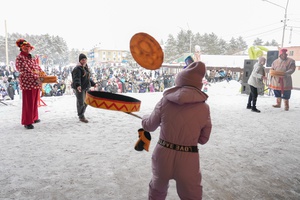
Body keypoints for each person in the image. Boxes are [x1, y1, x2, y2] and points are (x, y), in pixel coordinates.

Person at [142, 61, 212, 200]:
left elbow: (149, 126)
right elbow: (204, 139)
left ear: (179, 80)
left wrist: (145, 118)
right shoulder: (204, 108)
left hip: (162, 154)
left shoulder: (165, 101)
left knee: (157, 192)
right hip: (188, 158)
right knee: (192, 195)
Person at [15, 39, 42, 129]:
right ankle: (27, 121)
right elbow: (24, 70)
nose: (27, 49)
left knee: (34, 101)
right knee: (28, 103)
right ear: (21, 48)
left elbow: (37, 66)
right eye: (25, 48)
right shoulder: (20, 58)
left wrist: (42, 73)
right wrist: (35, 76)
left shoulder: (31, 57)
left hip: (35, 82)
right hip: (27, 83)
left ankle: (34, 117)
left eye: (29, 47)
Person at [72, 53, 95, 123]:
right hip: (79, 88)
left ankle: (81, 113)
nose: (84, 61)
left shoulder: (85, 67)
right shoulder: (77, 69)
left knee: (87, 101)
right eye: (82, 60)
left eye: (85, 59)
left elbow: (87, 78)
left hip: (86, 87)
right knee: (81, 102)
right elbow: (76, 78)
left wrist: (93, 83)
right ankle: (81, 116)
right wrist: (78, 86)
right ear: (80, 60)